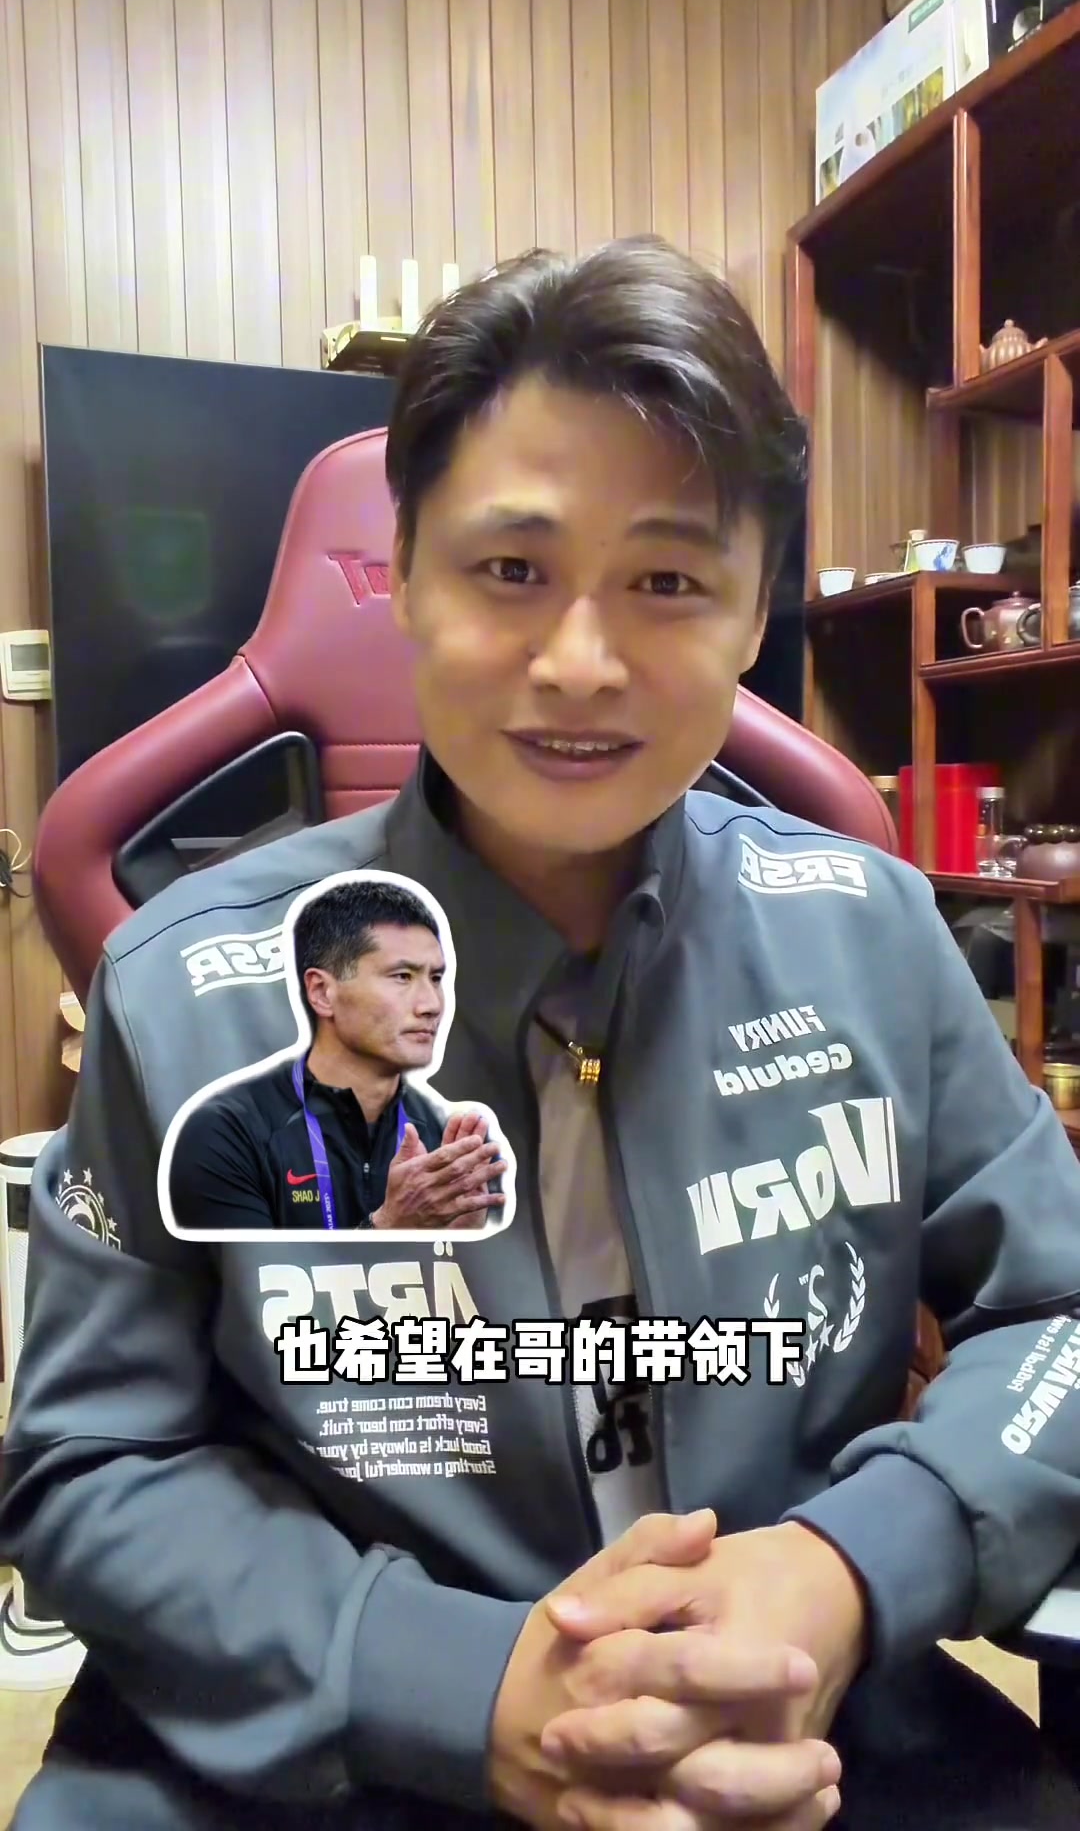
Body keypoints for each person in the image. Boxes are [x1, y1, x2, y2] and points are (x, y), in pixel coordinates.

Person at [3, 236, 1080, 1831]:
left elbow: (1061, 1314)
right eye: (511, 570)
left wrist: (855, 1564)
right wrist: (461, 1683)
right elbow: (93, 1465)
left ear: (754, 610)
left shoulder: (870, 932)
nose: (581, 664)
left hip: (809, 1724)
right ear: (406, 576)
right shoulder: (193, 989)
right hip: (343, 1747)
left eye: (668, 580)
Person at [166, 877, 506, 1232]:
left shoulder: (455, 1145)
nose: (431, 1004)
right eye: (402, 976)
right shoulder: (227, 1134)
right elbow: (250, 1271)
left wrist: (466, 1239)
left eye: (435, 978)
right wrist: (391, 1226)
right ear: (322, 993)